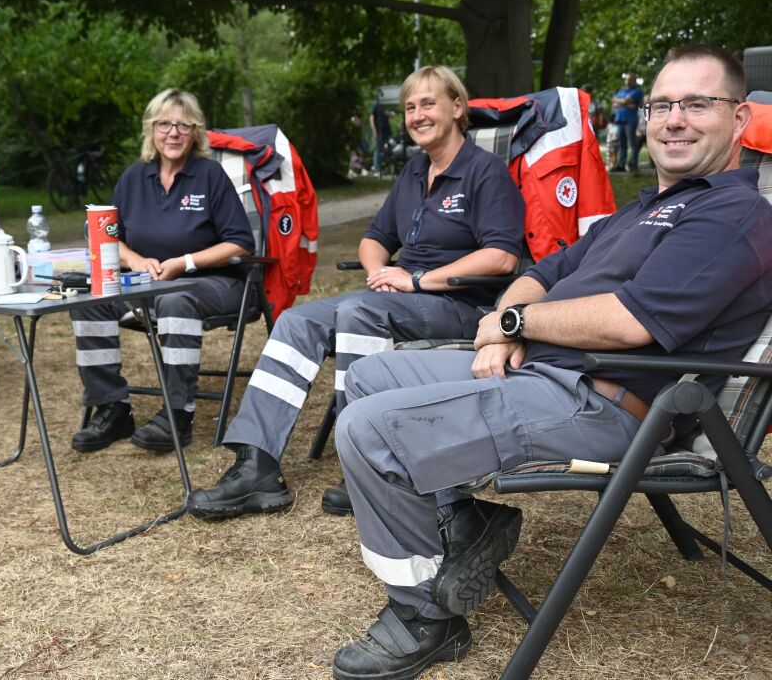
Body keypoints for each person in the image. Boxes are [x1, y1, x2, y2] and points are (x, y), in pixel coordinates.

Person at [328, 44, 772, 679]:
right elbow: (544, 271)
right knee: (371, 374)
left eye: (699, 103)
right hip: (542, 371)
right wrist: (507, 330)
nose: (675, 119)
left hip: (609, 402)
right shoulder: (640, 209)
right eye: (663, 105)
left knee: (369, 432)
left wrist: (512, 323)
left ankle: (422, 615)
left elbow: (629, 322)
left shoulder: (735, 214)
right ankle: (466, 520)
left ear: (738, 119)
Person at [186, 65, 526, 520]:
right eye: (409, 107)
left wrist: (416, 279)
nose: (417, 115)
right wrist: (379, 269)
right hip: (400, 297)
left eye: (428, 103)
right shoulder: (414, 172)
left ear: (458, 107)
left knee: (359, 314)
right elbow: (374, 237)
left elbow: (502, 257)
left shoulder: (484, 172)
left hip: (462, 303)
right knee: (296, 321)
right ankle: (257, 464)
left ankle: (364, 461)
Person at [69, 89, 254, 454]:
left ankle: (177, 413)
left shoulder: (210, 175)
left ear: (195, 132)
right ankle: (112, 408)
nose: (173, 132)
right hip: (147, 283)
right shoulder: (134, 178)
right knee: (89, 301)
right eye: (164, 124)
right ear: (151, 130)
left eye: (183, 125)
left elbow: (240, 243)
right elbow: (107, 236)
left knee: (175, 298)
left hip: (213, 281)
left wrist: (185, 262)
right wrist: (135, 260)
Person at [610, 71, 645, 172]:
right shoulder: (621, 91)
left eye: (630, 80)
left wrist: (621, 102)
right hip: (619, 120)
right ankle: (621, 164)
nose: (627, 81)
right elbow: (614, 102)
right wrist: (625, 103)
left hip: (631, 121)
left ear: (634, 81)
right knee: (622, 144)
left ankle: (633, 164)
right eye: (626, 79)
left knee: (632, 143)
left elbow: (625, 101)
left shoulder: (637, 91)